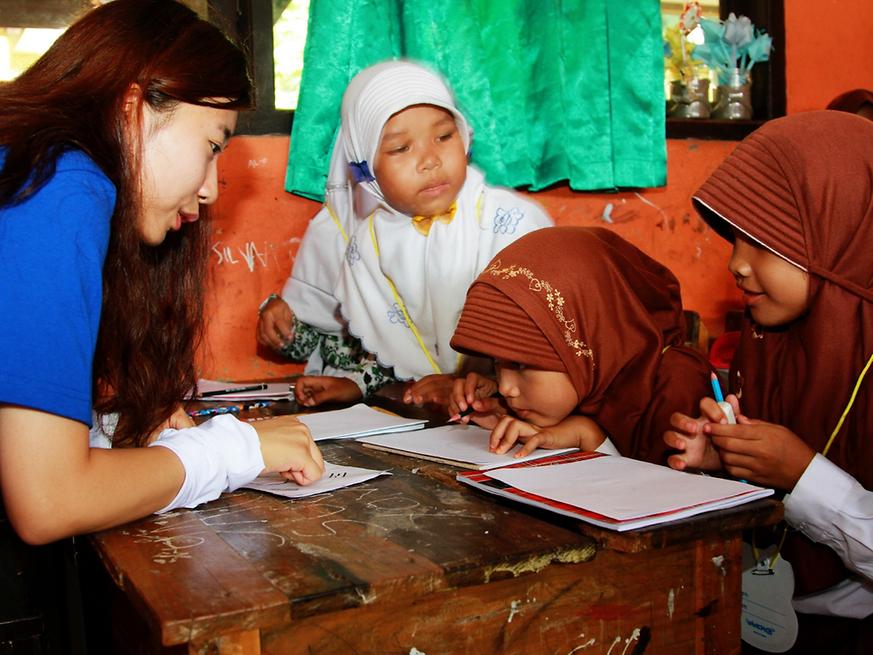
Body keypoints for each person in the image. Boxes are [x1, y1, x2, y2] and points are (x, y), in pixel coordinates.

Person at [0, 0, 325, 545]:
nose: (211, 189)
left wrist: (105, 431)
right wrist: (233, 451)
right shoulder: (58, 183)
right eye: (213, 145)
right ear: (135, 109)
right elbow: (48, 500)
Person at [662, 111, 873, 653]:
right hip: (773, 623)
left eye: (762, 242)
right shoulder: (768, 343)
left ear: (842, 234)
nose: (736, 264)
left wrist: (803, 475)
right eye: (734, 239)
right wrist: (730, 461)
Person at [256, 60, 553, 410]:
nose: (430, 160)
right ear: (366, 171)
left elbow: (551, 346)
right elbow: (394, 345)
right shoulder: (368, 248)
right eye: (401, 149)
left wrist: (484, 382)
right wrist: (356, 385)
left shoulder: (511, 222)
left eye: (444, 136)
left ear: (466, 137)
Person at [447, 226, 713, 463]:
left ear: (587, 337)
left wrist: (588, 436)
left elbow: (667, 506)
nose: (505, 388)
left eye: (521, 363)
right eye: (497, 363)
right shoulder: (587, 376)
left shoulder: (678, 385)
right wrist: (502, 412)